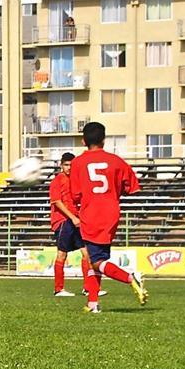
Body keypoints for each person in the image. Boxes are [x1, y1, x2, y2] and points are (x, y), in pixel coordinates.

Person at [69, 121, 147, 313]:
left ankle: (131, 277)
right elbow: (133, 188)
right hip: (111, 213)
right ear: (104, 140)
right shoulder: (116, 161)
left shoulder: (78, 163)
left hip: (91, 213)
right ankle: (93, 304)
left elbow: (75, 195)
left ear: (83, 141)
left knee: (96, 260)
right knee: (95, 258)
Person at [48, 151, 99, 298]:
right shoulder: (57, 181)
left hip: (77, 220)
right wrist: (72, 217)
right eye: (66, 165)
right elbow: (57, 202)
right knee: (62, 254)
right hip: (63, 221)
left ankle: (88, 288)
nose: (69, 167)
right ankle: (58, 289)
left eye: (71, 165)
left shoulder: (78, 180)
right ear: (61, 165)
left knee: (86, 253)